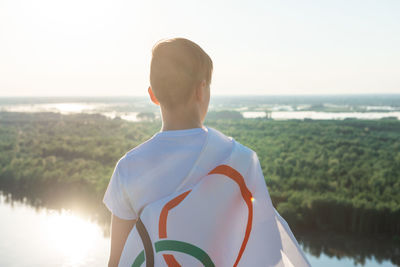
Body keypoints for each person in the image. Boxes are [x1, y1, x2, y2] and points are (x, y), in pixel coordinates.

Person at [103, 37, 310, 267]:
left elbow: (117, 261)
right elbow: (266, 252)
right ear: (201, 90)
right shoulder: (241, 160)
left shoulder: (128, 167)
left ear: (153, 95)